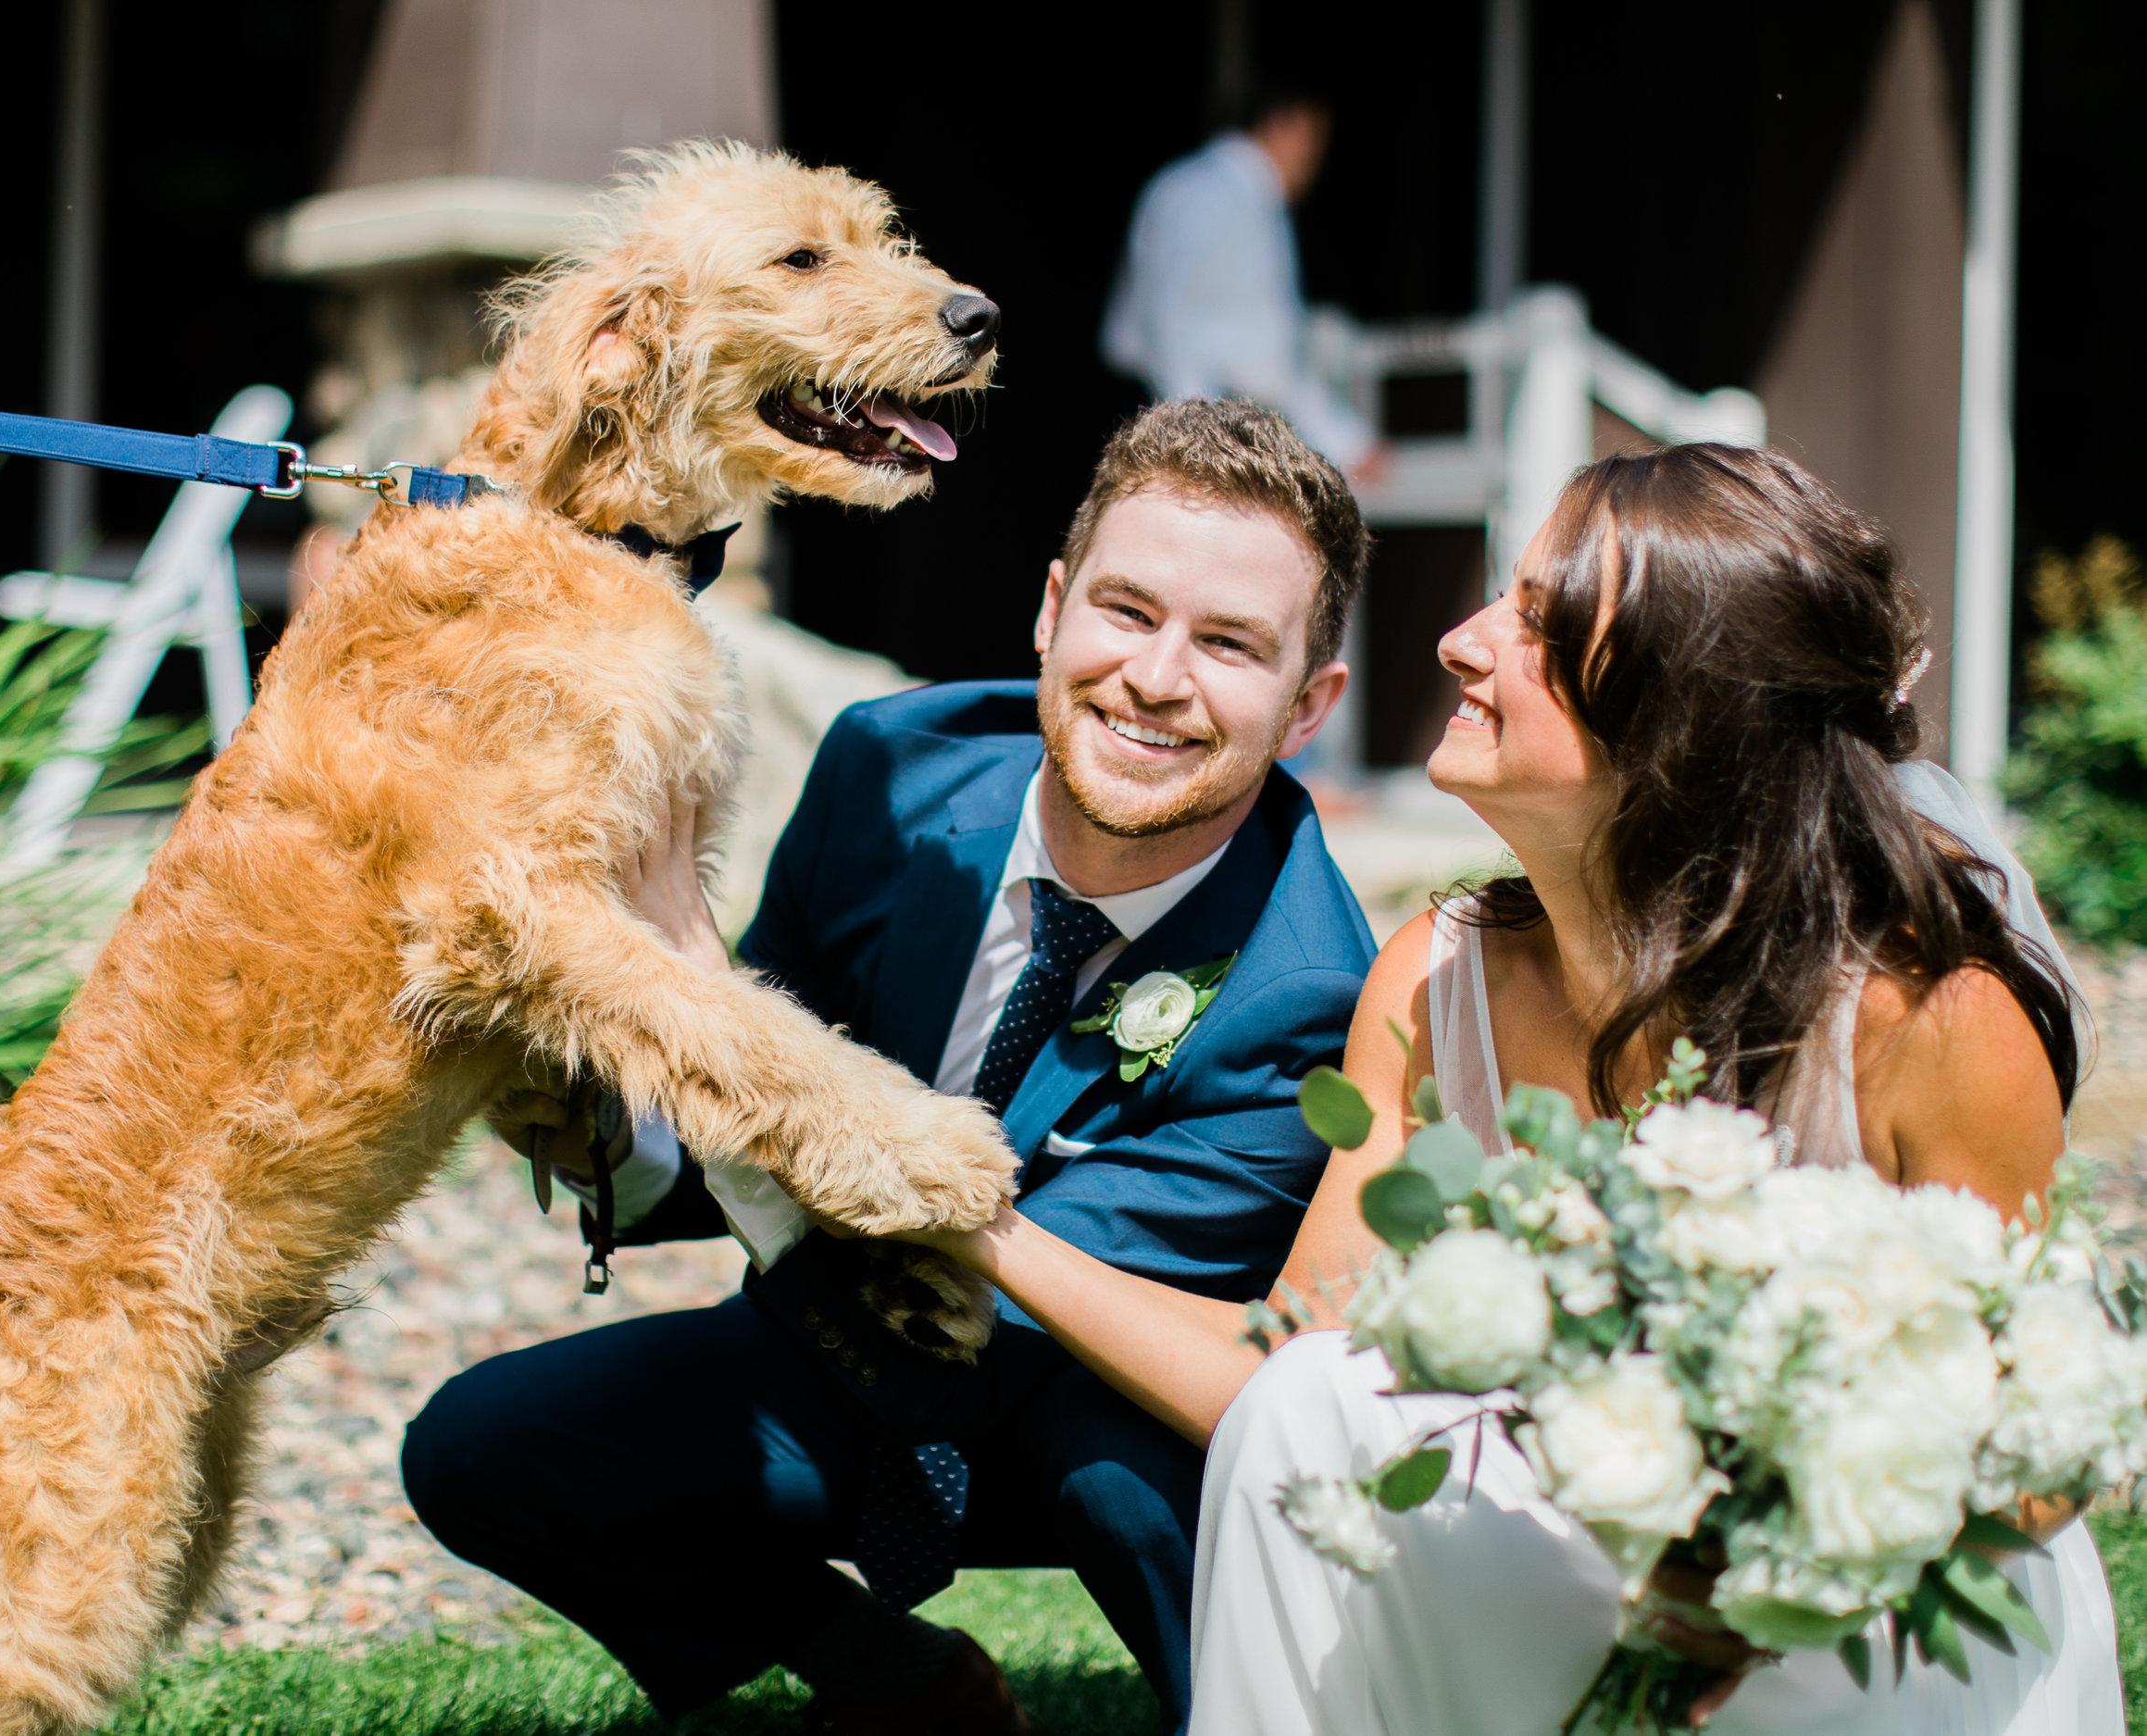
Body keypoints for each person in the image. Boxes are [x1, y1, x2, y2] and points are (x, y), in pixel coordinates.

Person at [881, 443, 2119, 1734]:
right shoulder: (1434, 978)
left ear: (1678, 715)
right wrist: (979, 1220)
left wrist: (1762, 1536)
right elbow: (1284, 1368)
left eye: (1536, 622)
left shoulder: (1922, 1015)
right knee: (1315, 1402)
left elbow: (2043, 1451)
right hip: (1576, 1567)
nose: (1463, 643)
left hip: (1872, 1614)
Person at [399, 398, 1378, 1735]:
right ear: (1050, 606)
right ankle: (888, 1671)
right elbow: (737, 1120)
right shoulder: (888, 770)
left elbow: (923, 1269)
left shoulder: (1310, 989)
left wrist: (698, 971)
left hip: (1079, 1406)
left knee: (1133, 1474)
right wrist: (606, 1088)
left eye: (1229, 644)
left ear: (1311, 701)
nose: (1155, 676)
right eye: (1126, 610)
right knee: (483, 1449)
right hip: (830, 1364)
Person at [1104, 90, 1383, 485]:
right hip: (1172, 414)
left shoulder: (1258, 201)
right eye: (1314, 139)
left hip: (1214, 420)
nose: (1316, 159)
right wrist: (1194, 437)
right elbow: (1164, 317)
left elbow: (1270, 353)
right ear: (1284, 127)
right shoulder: (1201, 192)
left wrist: (1348, 441)